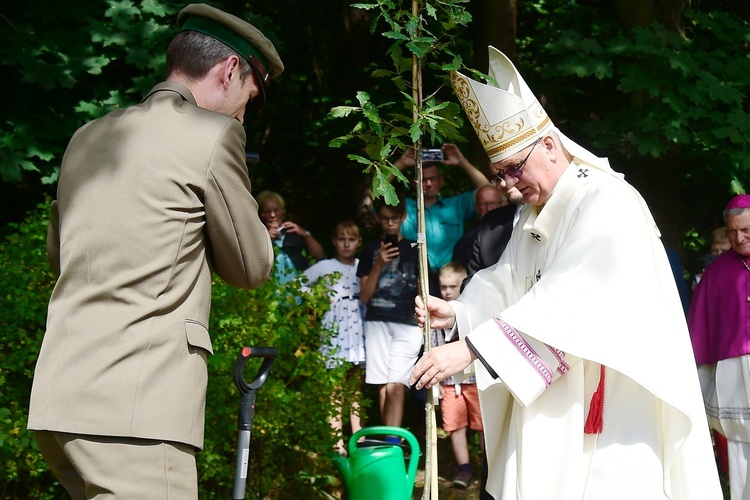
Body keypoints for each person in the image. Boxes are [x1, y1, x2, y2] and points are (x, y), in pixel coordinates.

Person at [409, 46, 721, 499]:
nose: (509, 186)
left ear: (550, 146)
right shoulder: (535, 211)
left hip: (610, 395)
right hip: (554, 391)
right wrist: (458, 312)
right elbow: (508, 276)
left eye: (514, 170)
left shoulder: (608, 202)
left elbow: (574, 298)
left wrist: (473, 348)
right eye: (499, 176)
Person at [27, 4, 282, 498]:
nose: (242, 114)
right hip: (135, 411)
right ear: (230, 70)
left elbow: (62, 259)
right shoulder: (214, 135)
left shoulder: (86, 137)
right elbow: (252, 267)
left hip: (60, 403)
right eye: (249, 98)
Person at [688, 194, 750, 500]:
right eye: (733, 231)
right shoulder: (716, 272)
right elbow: (701, 329)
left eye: (746, 231)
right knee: (740, 441)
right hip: (734, 368)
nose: (738, 238)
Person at [357, 197, 421, 434]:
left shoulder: (416, 249)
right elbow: (364, 295)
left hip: (408, 322)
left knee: (397, 384)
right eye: (385, 218)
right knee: (383, 385)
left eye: (395, 218)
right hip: (377, 322)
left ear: (403, 217)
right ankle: (389, 441)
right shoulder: (370, 250)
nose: (390, 223)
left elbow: (422, 288)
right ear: (377, 218)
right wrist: (378, 265)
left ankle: (391, 441)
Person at [303, 221, 366, 454]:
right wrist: (317, 298)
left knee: (355, 388)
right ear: (334, 241)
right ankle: (336, 443)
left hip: (358, 328)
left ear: (359, 242)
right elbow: (298, 283)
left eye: (351, 239)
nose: (346, 244)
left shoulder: (362, 264)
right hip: (335, 329)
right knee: (335, 389)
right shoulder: (325, 266)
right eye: (342, 239)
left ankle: (358, 439)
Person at [430, 262, 485, 489]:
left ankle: (488, 464)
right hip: (450, 384)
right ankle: (465, 468)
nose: (447, 292)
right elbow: (432, 348)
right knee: (455, 426)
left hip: (474, 380)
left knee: (483, 424)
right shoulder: (435, 318)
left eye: (453, 286)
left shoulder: (474, 313)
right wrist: (437, 383)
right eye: (443, 287)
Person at [395, 143, 488, 271]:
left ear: (441, 181)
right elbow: (377, 193)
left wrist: (462, 162)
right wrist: (401, 163)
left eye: (433, 178)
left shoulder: (456, 205)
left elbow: (488, 191)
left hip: (450, 278)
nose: (428, 183)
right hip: (415, 276)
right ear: (414, 183)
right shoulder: (404, 207)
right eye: (423, 179)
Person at [257, 190, 325, 282]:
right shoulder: (257, 236)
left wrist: (305, 234)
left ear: (282, 211)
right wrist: (267, 239)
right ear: (261, 214)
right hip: (272, 289)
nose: (272, 215)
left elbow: (320, 255)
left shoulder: (294, 231)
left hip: (301, 287)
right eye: (267, 211)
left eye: (276, 210)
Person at [465, 182, 525, 278]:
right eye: (502, 174)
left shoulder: (555, 218)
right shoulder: (489, 223)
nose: (503, 183)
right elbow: (473, 278)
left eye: (514, 170)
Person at [452, 184, 507, 270]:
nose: (489, 209)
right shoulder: (465, 242)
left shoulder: (515, 230)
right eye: (483, 204)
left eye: (493, 203)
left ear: (504, 204)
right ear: (476, 208)